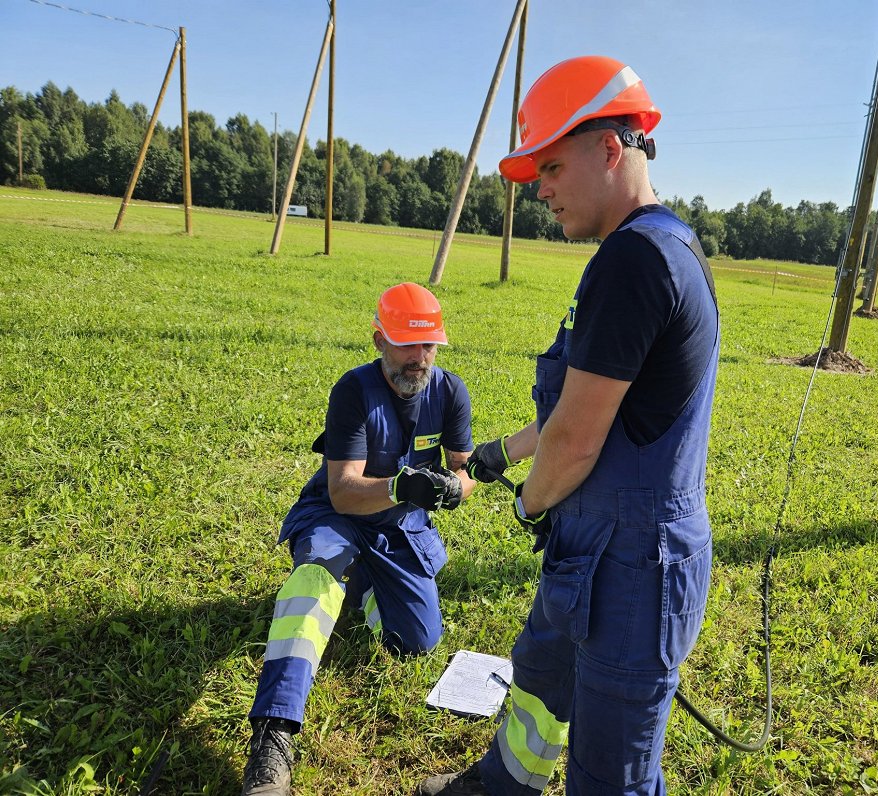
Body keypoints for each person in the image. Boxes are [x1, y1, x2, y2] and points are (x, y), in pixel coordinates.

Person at [416, 55, 720, 796]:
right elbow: (580, 410)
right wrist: (496, 454)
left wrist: (528, 500)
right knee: (541, 674)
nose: (541, 190)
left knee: (607, 772)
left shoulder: (634, 262)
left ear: (609, 149)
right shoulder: (658, 246)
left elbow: (576, 442)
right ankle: (502, 784)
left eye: (549, 167)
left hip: (630, 565)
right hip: (594, 546)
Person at [242, 282, 476, 796]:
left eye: (429, 346)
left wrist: (452, 489)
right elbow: (345, 492)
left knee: (416, 643)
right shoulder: (354, 390)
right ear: (378, 341)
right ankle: (273, 737)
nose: (420, 359)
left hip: (398, 530)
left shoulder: (451, 392)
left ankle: (365, 581)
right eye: (408, 345)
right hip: (339, 516)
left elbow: (465, 471)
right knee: (316, 576)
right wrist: (399, 485)